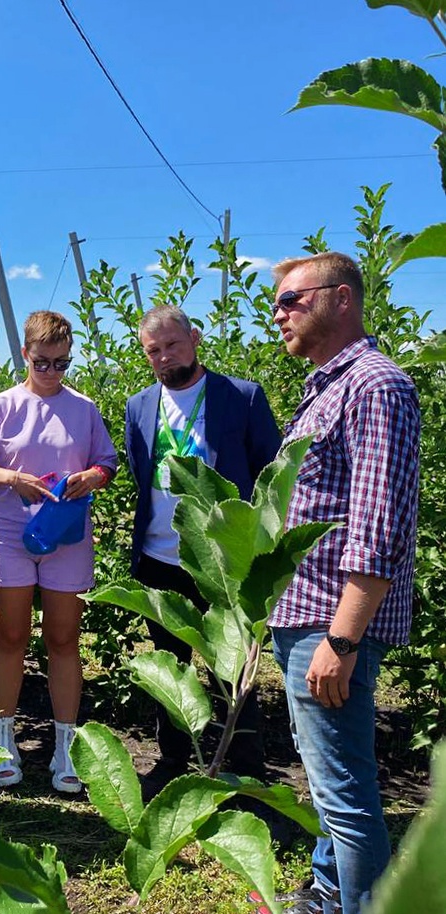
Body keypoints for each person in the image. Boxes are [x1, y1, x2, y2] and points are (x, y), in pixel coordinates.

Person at [269, 253, 420, 914]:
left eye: (290, 301)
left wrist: (342, 636)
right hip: (307, 616)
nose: (277, 314)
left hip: (329, 622)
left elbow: (378, 523)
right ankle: (329, 894)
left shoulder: (374, 385)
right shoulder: (328, 385)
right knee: (330, 782)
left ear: (341, 299)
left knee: (344, 795)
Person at [0, 311, 117, 794]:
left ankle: (66, 748)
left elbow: (106, 462)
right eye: (43, 361)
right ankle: (3, 739)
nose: (52, 371)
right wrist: (12, 479)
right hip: (10, 532)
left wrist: (93, 476)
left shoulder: (84, 408)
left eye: (62, 363)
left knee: (64, 639)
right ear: (25, 354)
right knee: (10, 636)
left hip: (66, 534)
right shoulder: (2, 406)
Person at [124, 305, 281, 784]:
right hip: (160, 559)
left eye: (172, 344)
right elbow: (139, 471)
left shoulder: (242, 397)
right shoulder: (138, 405)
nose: (165, 357)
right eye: (154, 351)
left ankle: (245, 773)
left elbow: (269, 478)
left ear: (195, 337)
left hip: (222, 563)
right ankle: (173, 763)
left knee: (233, 671)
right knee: (169, 669)